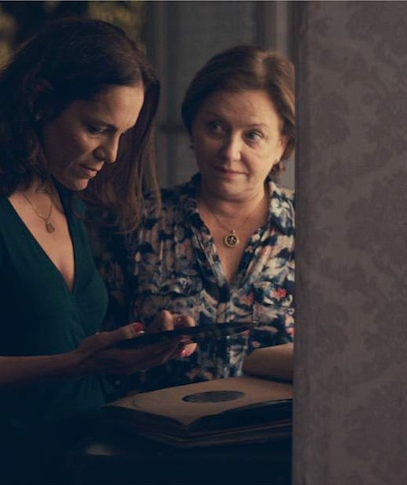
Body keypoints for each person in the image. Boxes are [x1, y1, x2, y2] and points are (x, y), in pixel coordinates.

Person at [0, 19, 194, 485]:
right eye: (97, 128)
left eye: (122, 133)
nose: (112, 154)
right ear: (40, 101)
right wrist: (78, 362)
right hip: (4, 465)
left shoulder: (63, 192)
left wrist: (139, 346)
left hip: (86, 460)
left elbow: (54, 331)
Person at [100, 45, 296, 397]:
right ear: (192, 127)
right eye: (215, 127)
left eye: (253, 135)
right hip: (156, 442)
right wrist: (144, 344)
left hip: (279, 445)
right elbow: (97, 355)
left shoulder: (314, 233)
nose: (229, 151)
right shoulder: (139, 223)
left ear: (282, 144)